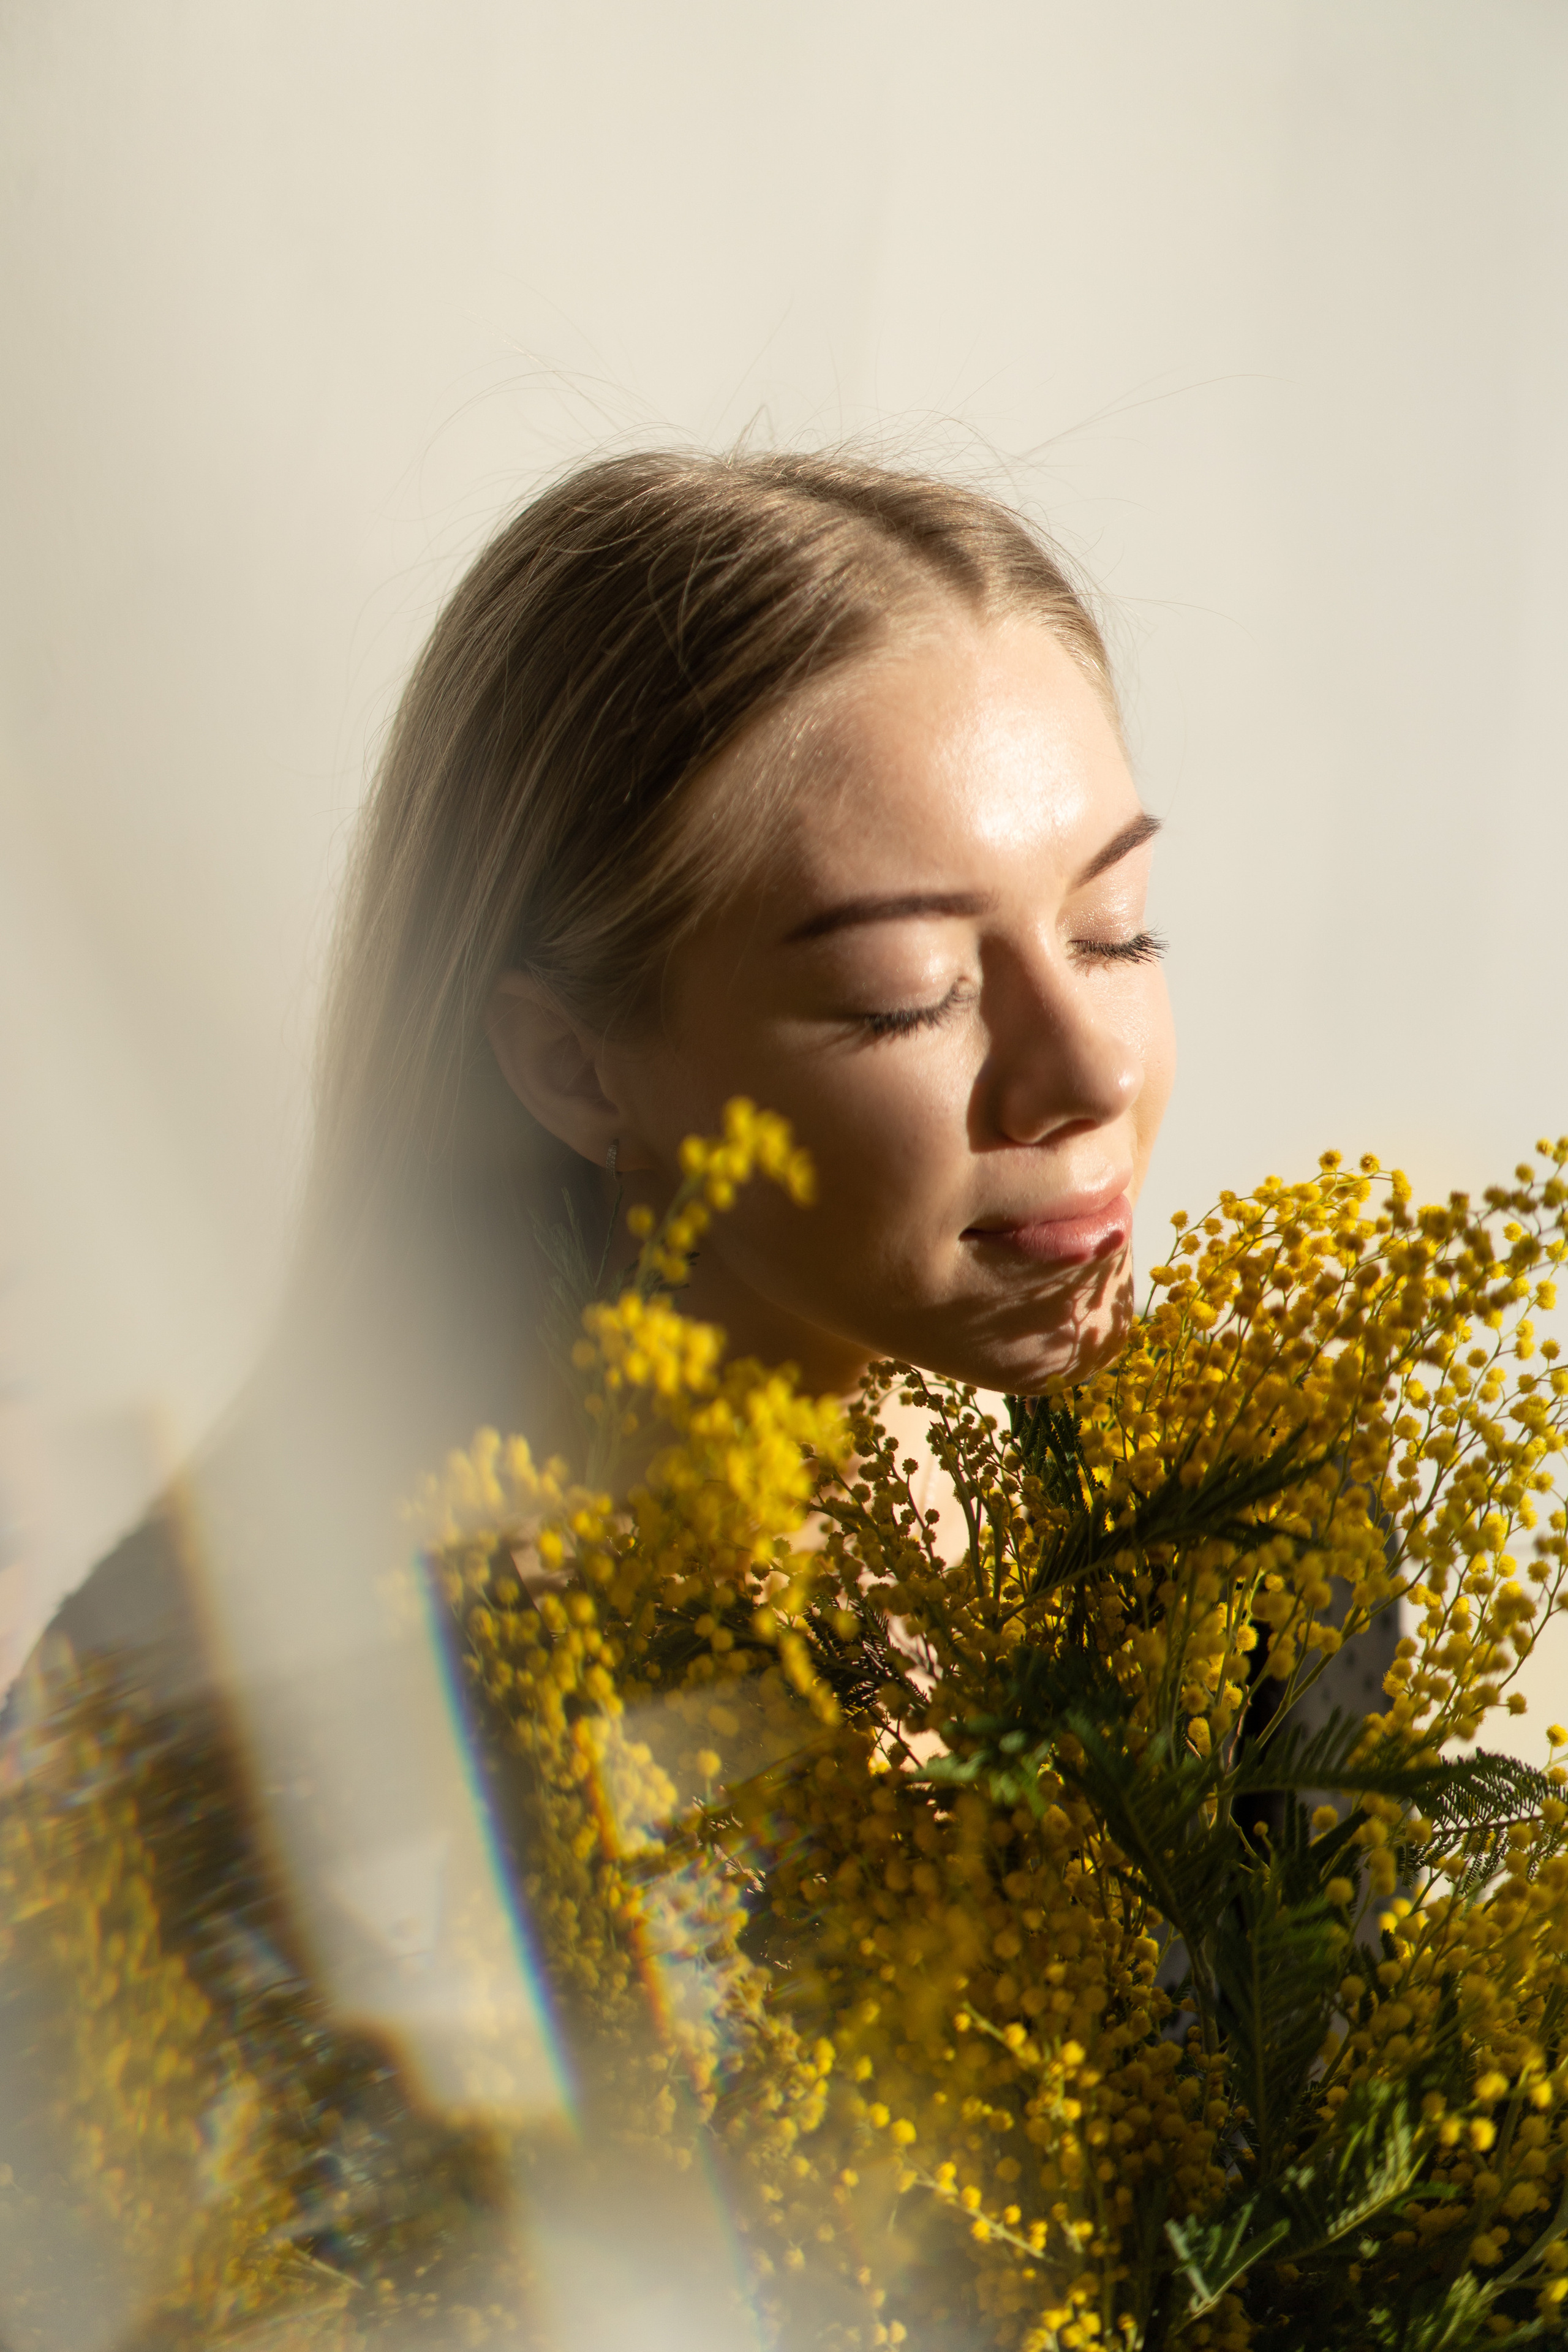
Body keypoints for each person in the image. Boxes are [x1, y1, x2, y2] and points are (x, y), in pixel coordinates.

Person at [0, 449, 1175, 2336]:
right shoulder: (236, 1737)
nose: (1086, 1067)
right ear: (573, 1067)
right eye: (908, 990)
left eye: (1117, 929)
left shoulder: (1228, 1545)